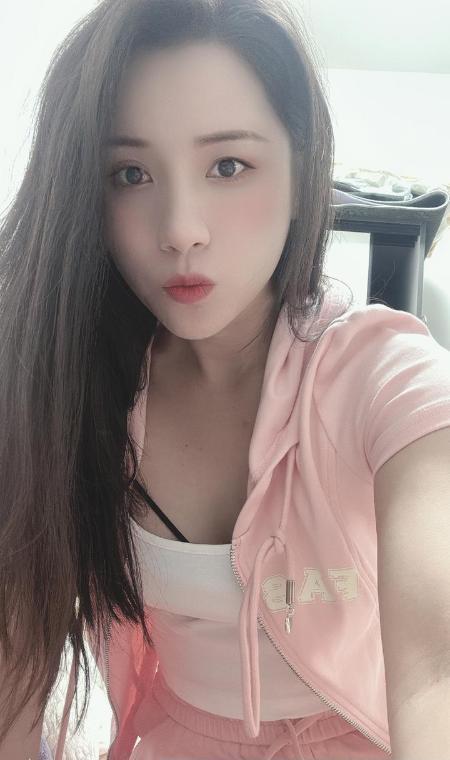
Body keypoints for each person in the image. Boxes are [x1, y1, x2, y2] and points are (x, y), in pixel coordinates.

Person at [1, 0, 450, 759]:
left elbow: (435, 672)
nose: (181, 228)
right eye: (131, 174)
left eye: (228, 166)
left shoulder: (385, 376)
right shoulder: (73, 387)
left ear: (302, 170)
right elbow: (15, 662)